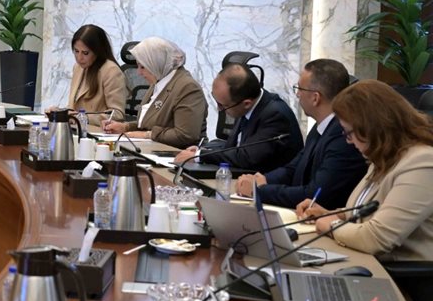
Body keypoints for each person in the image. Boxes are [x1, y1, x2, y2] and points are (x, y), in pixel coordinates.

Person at [297, 80, 433, 261]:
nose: (349, 141)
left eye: (349, 133)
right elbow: (367, 210)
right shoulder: (384, 158)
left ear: (372, 127)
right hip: (367, 261)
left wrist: (331, 225)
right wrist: (330, 214)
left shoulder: (422, 163)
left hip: (400, 275)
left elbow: (377, 238)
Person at [235, 59, 367, 208]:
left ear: (315, 98)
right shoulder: (321, 126)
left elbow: (314, 194)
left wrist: (259, 191)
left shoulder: (342, 137)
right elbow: (294, 168)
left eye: (300, 89)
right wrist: (263, 179)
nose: (297, 94)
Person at [173, 64, 301, 172]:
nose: (219, 109)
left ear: (246, 103)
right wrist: (204, 150)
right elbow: (235, 146)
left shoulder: (275, 115)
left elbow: (247, 157)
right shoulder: (245, 105)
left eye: (223, 105)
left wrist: (200, 156)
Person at [101, 36, 206, 148]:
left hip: (177, 152)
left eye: (143, 67)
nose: (139, 72)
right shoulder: (159, 80)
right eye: (138, 66)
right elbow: (149, 124)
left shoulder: (188, 87)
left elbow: (185, 135)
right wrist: (125, 127)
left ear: (157, 63)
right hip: (153, 148)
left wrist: (147, 135)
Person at [48, 24, 127, 128]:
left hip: (97, 131)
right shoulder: (78, 67)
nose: (79, 57)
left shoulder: (111, 71)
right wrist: (60, 113)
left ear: (97, 51)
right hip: (77, 128)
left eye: (85, 53)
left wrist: (82, 117)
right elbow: (74, 107)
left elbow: (117, 114)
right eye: (76, 51)